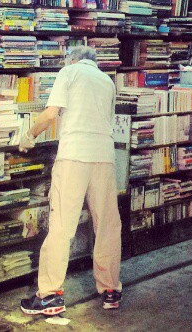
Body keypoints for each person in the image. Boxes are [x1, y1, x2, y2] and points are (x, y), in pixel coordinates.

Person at [19, 46, 122, 316]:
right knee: (108, 225)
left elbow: (51, 113)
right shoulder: (107, 81)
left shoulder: (69, 72)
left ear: (73, 59)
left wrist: (28, 136)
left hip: (74, 155)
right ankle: (110, 290)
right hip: (104, 157)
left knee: (62, 225)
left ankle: (50, 295)